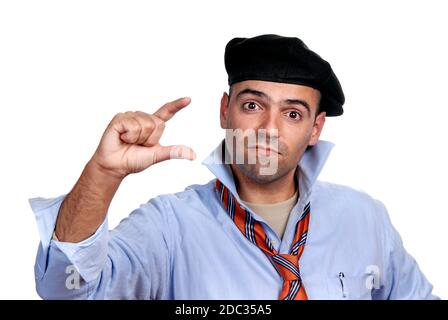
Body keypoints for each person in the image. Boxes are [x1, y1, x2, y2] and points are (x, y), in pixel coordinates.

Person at [29, 34, 437, 299]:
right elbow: (67, 290)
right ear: (225, 111)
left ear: (315, 128)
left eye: (293, 114)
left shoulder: (365, 219)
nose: (269, 129)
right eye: (253, 105)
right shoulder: (169, 228)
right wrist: (104, 174)